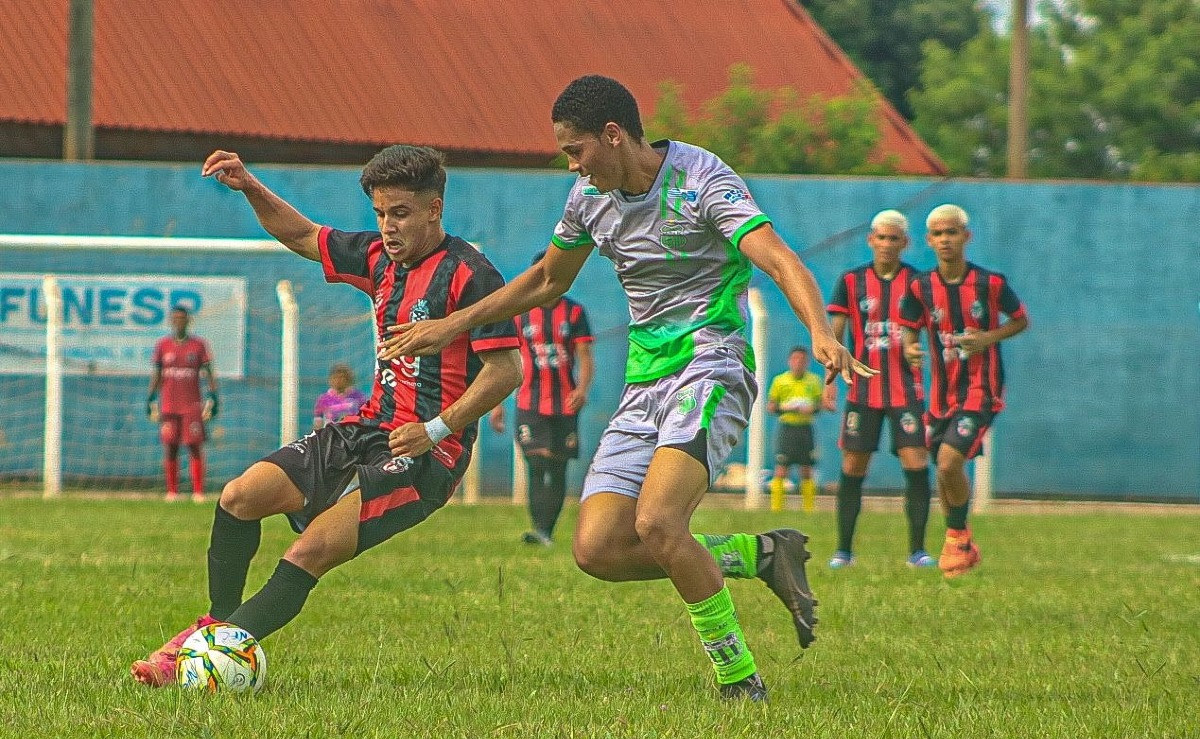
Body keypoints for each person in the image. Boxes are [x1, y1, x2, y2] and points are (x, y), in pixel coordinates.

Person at [381, 75, 873, 701]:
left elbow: (776, 256)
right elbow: (545, 281)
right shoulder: (588, 195)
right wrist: (454, 324)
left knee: (661, 523)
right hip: (646, 380)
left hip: (710, 364)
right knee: (599, 549)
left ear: (612, 137)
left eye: (574, 149)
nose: (571, 164)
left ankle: (738, 679)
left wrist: (820, 331)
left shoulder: (701, 179)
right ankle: (760, 555)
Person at [130, 144, 522, 687]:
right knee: (240, 497)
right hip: (367, 427)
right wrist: (249, 185)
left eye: (401, 213)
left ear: (435, 208)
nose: (388, 226)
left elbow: (506, 371)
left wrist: (436, 429)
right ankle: (218, 628)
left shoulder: (471, 275)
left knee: (312, 547)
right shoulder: (378, 258)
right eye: (381, 213)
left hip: (429, 453)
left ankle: (197, 658)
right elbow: (300, 235)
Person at [899, 204, 1029, 578]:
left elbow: (1020, 320)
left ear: (966, 237)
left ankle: (957, 536)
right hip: (941, 395)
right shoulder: (921, 287)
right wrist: (910, 347)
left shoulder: (991, 284)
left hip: (980, 389)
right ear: (929, 240)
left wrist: (989, 337)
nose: (945, 240)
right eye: (938, 234)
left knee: (948, 463)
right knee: (943, 471)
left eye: (952, 233)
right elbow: (910, 326)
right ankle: (962, 540)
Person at [824, 209, 934, 569]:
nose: (886, 244)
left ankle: (917, 551)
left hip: (906, 389)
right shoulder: (852, 281)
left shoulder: (918, 283)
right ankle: (843, 551)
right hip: (863, 390)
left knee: (916, 460)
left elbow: (930, 330)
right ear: (870, 239)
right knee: (854, 464)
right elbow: (834, 335)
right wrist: (829, 374)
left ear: (905, 243)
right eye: (880, 237)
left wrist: (917, 350)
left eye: (894, 238)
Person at [489, 254, 595, 546]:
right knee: (536, 465)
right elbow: (507, 362)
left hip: (564, 404)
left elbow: (585, 358)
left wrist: (582, 390)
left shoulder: (574, 313)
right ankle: (540, 529)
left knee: (557, 467)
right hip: (529, 403)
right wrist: (496, 404)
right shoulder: (520, 315)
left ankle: (547, 530)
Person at [147, 305, 219, 503]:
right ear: (171, 321)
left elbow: (209, 373)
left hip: (191, 405)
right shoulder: (163, 345)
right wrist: (151, 398)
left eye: (182, 318)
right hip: (169, 405)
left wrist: (213, 396)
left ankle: (198, 491)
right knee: (170, 446)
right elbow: (157, 374)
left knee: (194, 446)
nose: (178, 321)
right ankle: (172, 491)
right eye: (175, 318)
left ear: (188, 321)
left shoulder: (198, 345)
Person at [766, 345, 825, 513]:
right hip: (787, 428)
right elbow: (770, 406)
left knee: (807, 469)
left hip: (805, 428)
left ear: (806, 363)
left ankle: (808, 509)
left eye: (802, 360)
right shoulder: (780, 381)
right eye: (795, 359)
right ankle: (776, 509)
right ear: (789, 361)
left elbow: (820, 405)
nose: (799, 363)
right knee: (781, 468)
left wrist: (812, 408)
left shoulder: (814, 380)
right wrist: (785, 408)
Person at [313, 363, 368, 430]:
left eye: (342, 377)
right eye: (335, 377)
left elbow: (366, 418)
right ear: (331, 379)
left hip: (353, 434)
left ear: (348, 379)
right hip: (331, 435)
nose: (338, 381)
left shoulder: (359, 397)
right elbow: (318, 422)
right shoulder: (323, 399)